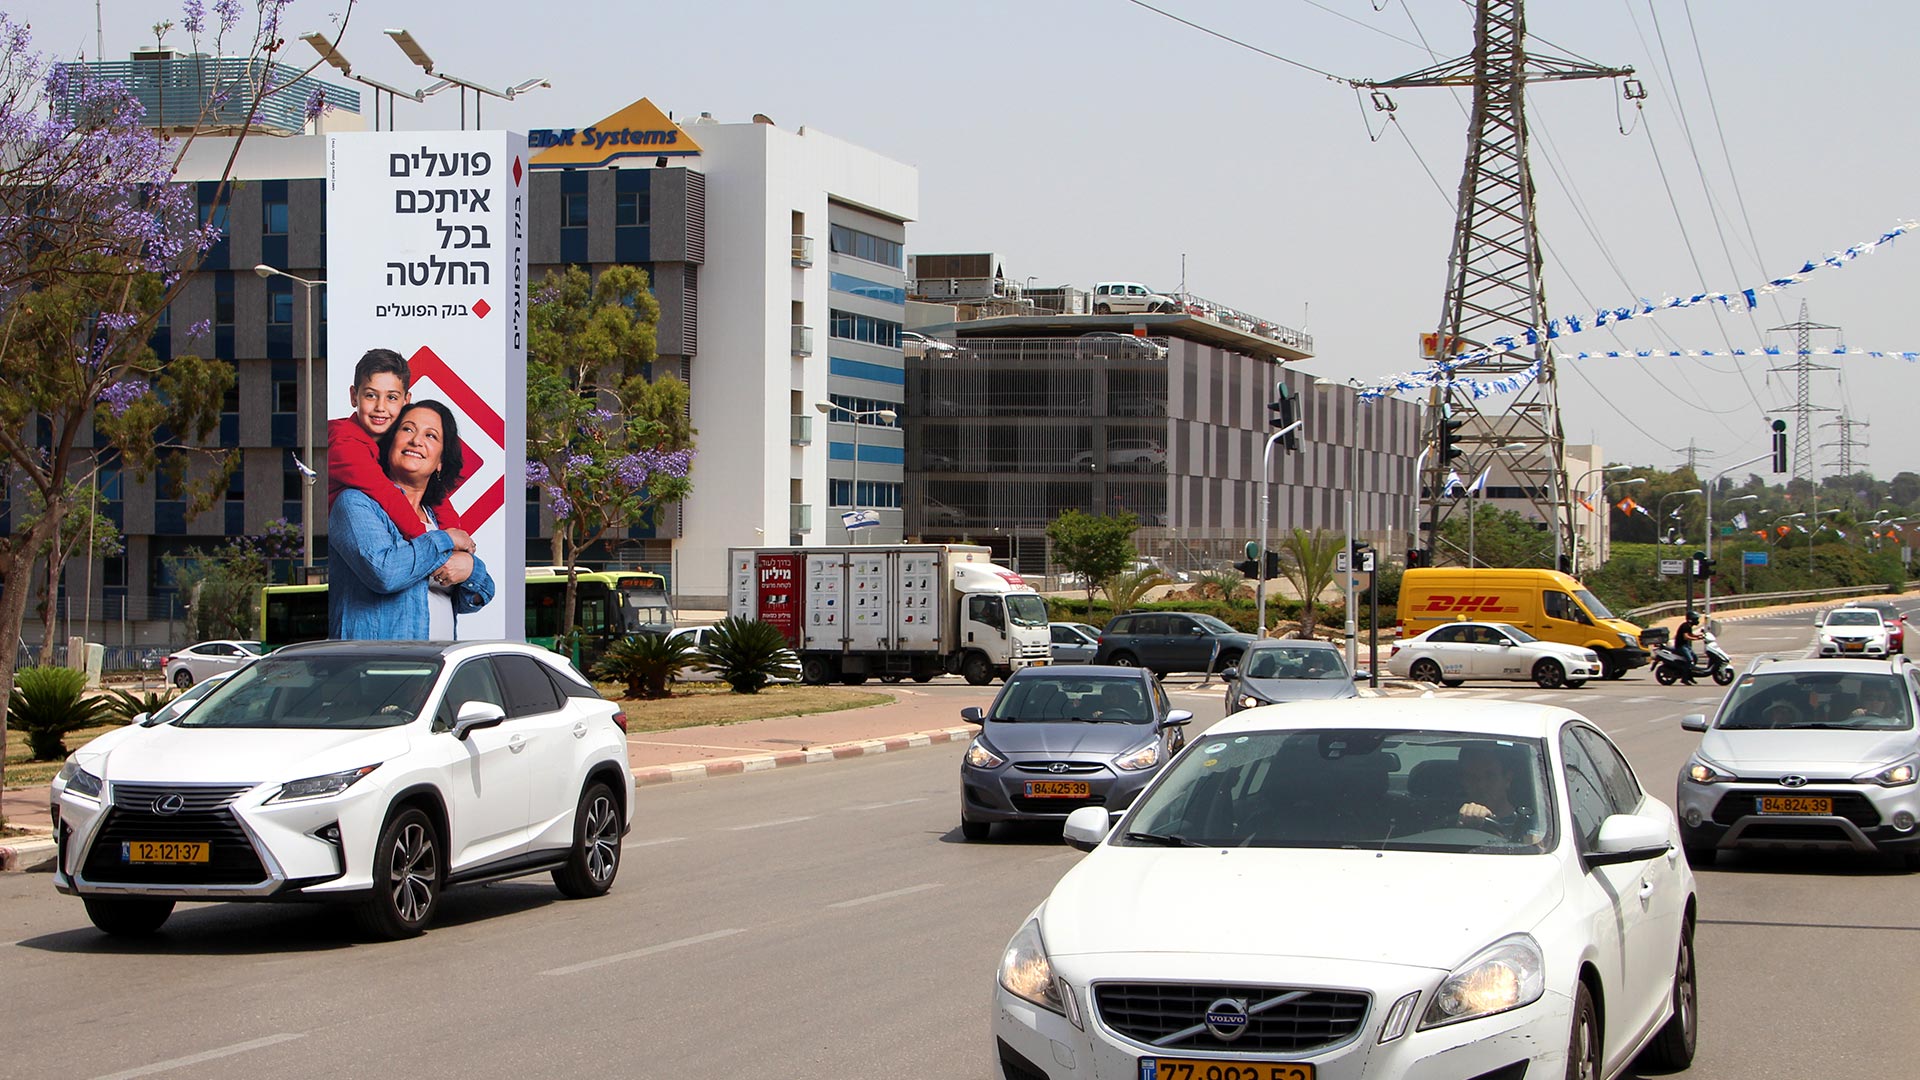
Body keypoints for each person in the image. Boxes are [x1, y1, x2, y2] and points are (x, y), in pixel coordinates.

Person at [328, 401, 494, 639]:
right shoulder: (355, 504)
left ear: (440, 463)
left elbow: (478, 595)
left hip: (438, 667)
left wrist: (470, 569)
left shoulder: (437, 519)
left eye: (431, 435)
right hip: (376, 669)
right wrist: (444, 541)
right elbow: (385, 572)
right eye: (407, 429)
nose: (417, 440)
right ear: (390, 443)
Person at [327, 348, 475, 555]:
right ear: (354, 396)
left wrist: (457, 541)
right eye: (371, 395)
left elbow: (437, 497)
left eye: (392, 398)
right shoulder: (344, 442)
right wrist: (436, 545)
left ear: (406, 401)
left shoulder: (389, 443)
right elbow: (385, 493)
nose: (381, 407)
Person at [1456, 742, 1538, 842]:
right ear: (1463, 781)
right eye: (1472, 777)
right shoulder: (1446, 823)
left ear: (1507, 779)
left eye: (1490, 776)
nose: (1481, 785)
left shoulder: (1533, 827)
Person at [1674, 613, 1701, 685]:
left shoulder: (1689, 626)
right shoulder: (1685, 626)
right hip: (1680, 646)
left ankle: (1690, 676)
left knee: (1695, 658)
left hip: (1685, 645)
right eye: (1695, 619)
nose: (1697, 621)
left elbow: (1691, 634)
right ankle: (1684, 678)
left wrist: (1699, 636)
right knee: (1689, 660)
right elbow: (1686, 637)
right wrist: (1696, 639)